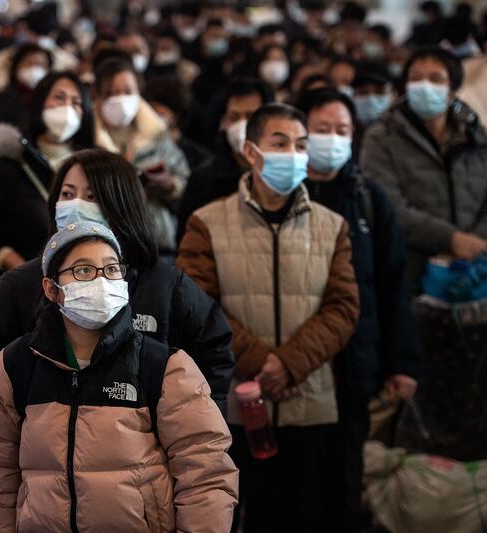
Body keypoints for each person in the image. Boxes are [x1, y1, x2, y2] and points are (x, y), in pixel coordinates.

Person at [0, 221, 239, 532]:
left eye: (112, 269)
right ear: (51, 289)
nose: (101, 280)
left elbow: (206, 475)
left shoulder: (163, 367)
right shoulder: (16, 367)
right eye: (83, 271)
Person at [0, 149, 236, 434]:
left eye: (91, 196)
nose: (76, 205)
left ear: (121, 203)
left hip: (143, 468)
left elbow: (214, 348)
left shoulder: (164, 284)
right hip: (46, 467)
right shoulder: (27, 281)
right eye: (67, 194)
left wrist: (193, 430)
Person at [177, 103, 360, 533]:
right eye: (280, 143)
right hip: (231, 404)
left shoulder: (332, 226)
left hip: (306, 401)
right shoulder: (207, 222)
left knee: (298, 515)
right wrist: (261, 363)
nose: (294, 154)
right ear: (251, 152)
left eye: (301, 145)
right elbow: (197, 304)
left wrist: (290, 363)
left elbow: (344, 307)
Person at [297, 88, 420, 532]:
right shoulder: (285, 196)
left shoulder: (369, 199)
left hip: (354, 365)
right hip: (294, 368)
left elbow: (392, 285)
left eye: (342, 130)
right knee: (296, 485)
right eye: (322, 129)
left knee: (346, 481)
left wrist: (401, 363)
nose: (332, 138)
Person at [360, 46, 487, 291]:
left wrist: (475, 243)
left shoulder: (475, 135)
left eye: (435, 78)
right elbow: (386, 204)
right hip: (408, 272)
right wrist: (451, 239)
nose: (424, 86)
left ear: (452, 90)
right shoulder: (382, 137)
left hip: (475, 270)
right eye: (416, 78)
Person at [0, 71, 94, 275]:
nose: (67, 108)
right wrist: (3, 256)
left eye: (76, 102)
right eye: (59, 98)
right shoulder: (9, 167)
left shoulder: (97, 169)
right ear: (39, 103)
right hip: (24, 292)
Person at [93, 57, 190, 255]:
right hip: (104, 248)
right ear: (98, 97)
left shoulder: (157, 135)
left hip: (157, 244)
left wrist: (170, 185)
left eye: (128, 91)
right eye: (111, 93)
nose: (120, 99)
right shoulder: (88, 139)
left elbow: (185, 180)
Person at [178, 77, 274, 240]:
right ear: (224, 121)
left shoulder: (281, 175)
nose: (243, 125)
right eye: (234, 117)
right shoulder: (203, 179)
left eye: (251, 116)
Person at [0, 43, 52, 127]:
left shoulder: (50, 102)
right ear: (16, 66)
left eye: (41, 65)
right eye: (28, 62)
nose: (34, 68)